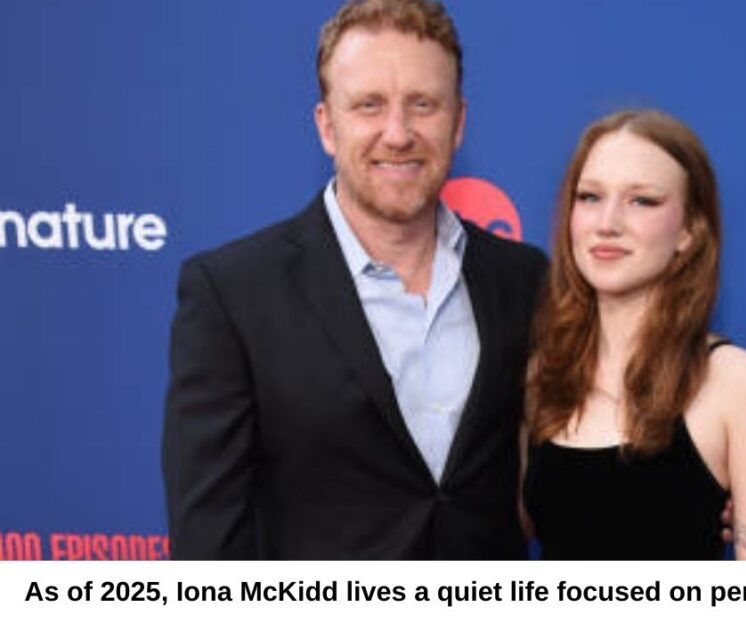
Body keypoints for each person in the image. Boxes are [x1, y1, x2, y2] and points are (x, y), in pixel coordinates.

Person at [162, 0, 547, 559]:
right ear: (327, 126)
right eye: (370, 105)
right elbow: (208, 546)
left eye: (423, 104)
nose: (398, 133)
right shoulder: (234, 295)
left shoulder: (525, 281)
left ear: (459, 122)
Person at [523, 110, 746, 560]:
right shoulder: (543, 378)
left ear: (690, 230)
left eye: (642, 201)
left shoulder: (739, 384)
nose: (607, 222)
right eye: (590, 197)